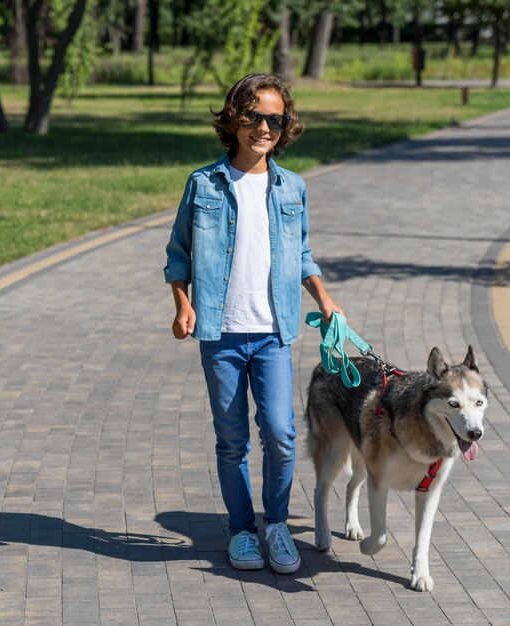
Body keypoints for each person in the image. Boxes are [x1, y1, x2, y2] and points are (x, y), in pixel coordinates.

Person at [163, 74, 343, 574]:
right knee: (232, 440)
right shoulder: (204, 183)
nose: (265, 127)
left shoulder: (293, 187)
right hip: (219, 332)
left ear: (285, 126)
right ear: (235, 119)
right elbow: (179, 253)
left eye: (275, 119)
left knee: (282, 433)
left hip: (272, 332)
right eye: (254, 116)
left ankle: (278, 525)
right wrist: (182, 304)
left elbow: (302, 251)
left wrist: (326, 300)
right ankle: (242, 531)